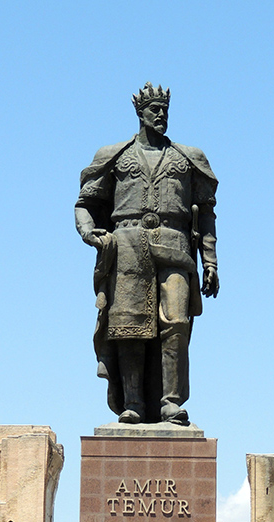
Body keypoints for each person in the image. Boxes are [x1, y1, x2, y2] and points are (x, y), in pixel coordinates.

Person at [75, 82, 219, 426]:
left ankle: (171, 402)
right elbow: (86, 204)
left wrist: (210, 260)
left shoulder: (189, 158)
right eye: (154, 110)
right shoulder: (115, 155)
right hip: (126, 245)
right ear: (140, 114)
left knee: (177, 324)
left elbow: (208, 212)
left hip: (175, 245)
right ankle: (134, 403)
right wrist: (88, 232)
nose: (160, 116)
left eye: (164, 111)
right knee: (129, 327)